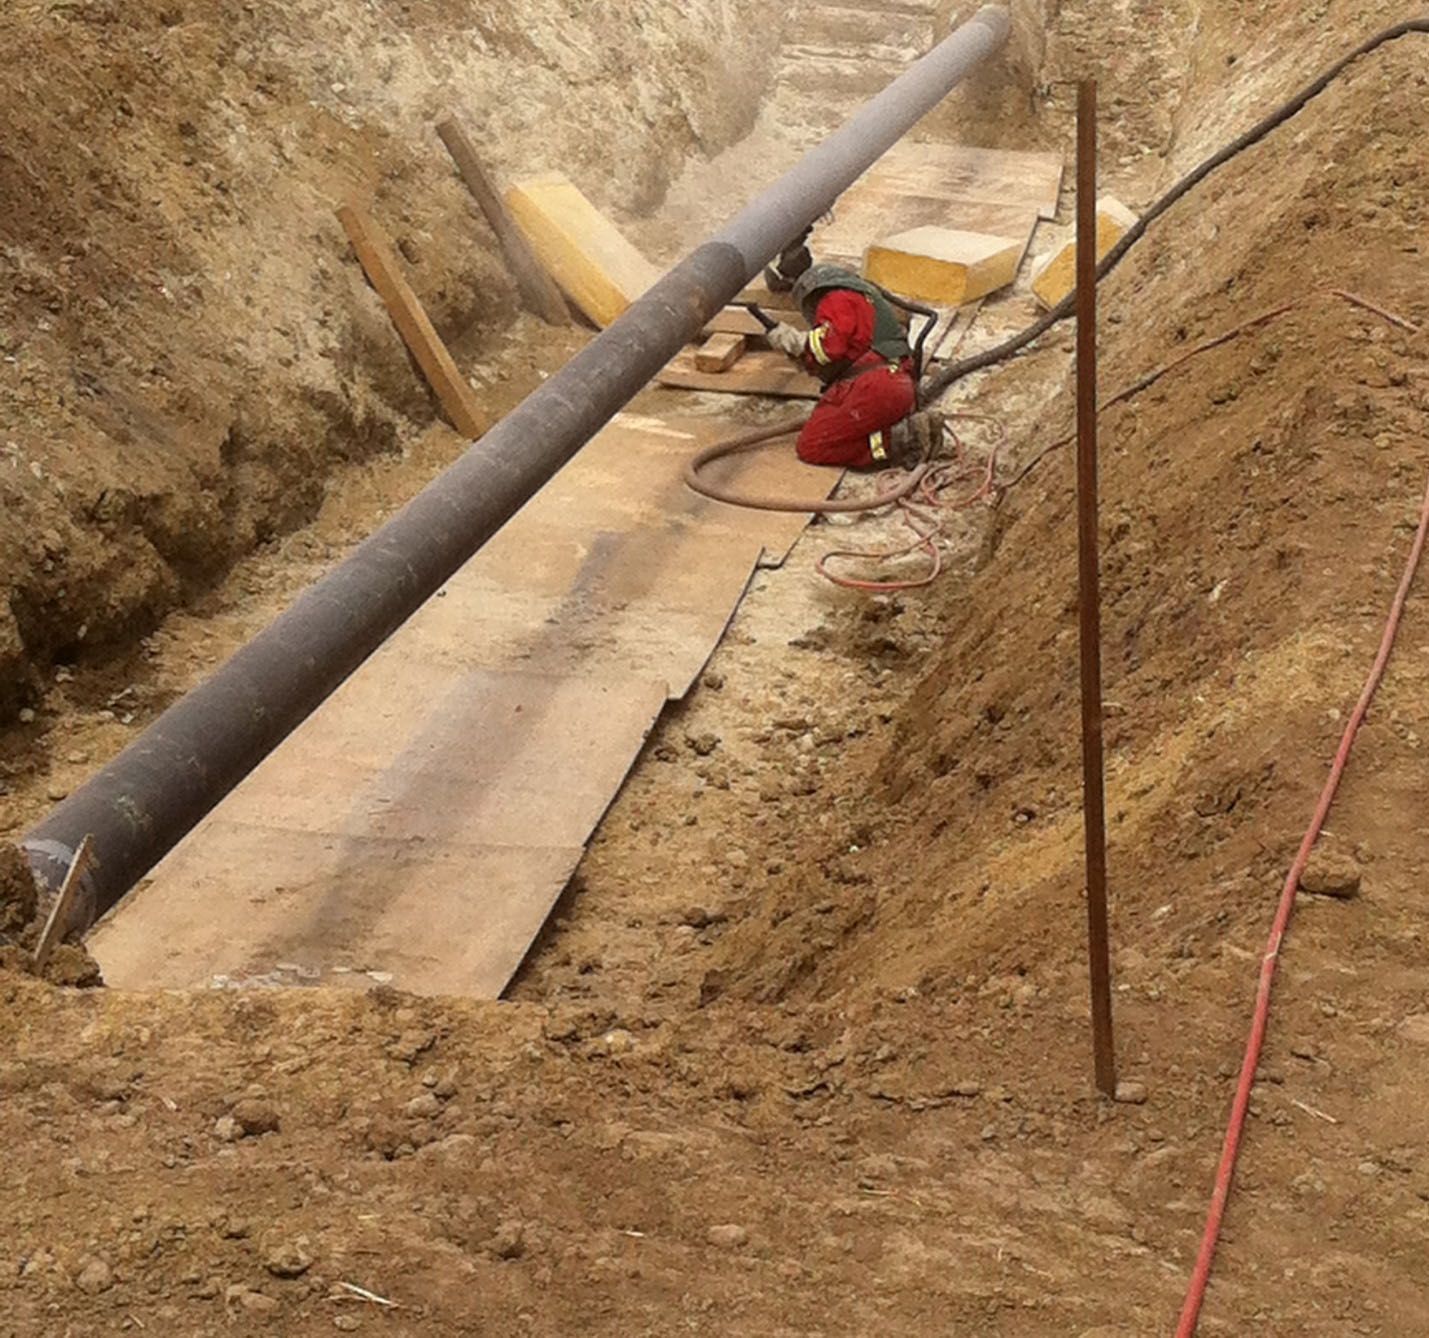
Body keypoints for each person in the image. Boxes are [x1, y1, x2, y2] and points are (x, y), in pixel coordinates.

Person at [765, 262, 932, 469]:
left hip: (875, 388)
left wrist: (796, 342)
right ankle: (899, 432)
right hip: (895, 385)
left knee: (813, 446)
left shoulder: (835, 298)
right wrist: (803, 357)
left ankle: (899, 440)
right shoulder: (862, 301)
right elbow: (840, 356)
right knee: (837, 428)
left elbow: (830, 347)